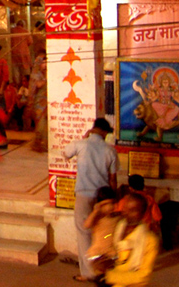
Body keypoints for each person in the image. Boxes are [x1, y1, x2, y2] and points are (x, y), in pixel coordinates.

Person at [63, 118, 118, 283]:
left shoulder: (81, 144)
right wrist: (113, 200)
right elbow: (113, 178)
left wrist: (85, 137)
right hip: (102, 196)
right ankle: (104, 268)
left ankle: (89, 272)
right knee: (103, 230)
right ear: (103, 132)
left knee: (84, 232)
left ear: (93, 129)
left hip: (84, 194)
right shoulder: (110, 150)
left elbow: (66, 154)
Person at [105, 193, 159, 286]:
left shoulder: (150, 240)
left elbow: (144, 275)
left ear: (142, 213)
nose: (127, 213)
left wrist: (109, 277)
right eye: (125, 208)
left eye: (133, 210)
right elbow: (116, 257)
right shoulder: (119, 228)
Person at [83, 185, 121, 277]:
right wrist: (96, 211)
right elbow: (86, 225)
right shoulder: (98, 218)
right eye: (106, 204)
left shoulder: (117, 217)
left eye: (112, 203)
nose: (110, 207)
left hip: (112, 254)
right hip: (98, 255)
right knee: (104, 277)